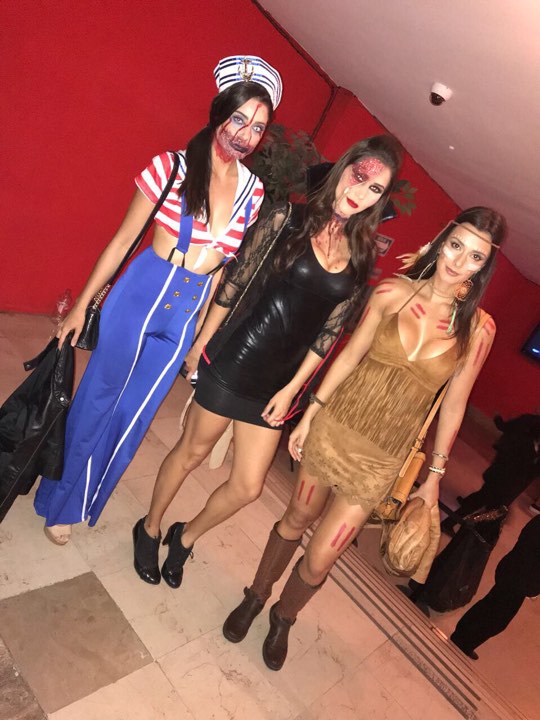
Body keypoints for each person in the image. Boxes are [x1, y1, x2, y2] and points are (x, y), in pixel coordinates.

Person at [222, 206, 507, 671]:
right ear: (441, 242)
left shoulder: (477, 330)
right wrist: (311, 415)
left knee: (322, 556)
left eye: (475, 257)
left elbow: (455, 405)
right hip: (336, 429)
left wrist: (434, 476)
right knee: (296, 517)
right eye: (456, 246)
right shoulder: (393, 291)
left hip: (381, 458)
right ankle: (256, 595)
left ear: (483, 267)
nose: (459, 262)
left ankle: (284, 616)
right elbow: (350, 354)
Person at [133, 135, 403, 587]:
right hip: (236, 359)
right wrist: (202, 342)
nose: (361, 192)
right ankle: (150, 527)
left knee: (248, 487)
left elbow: (328, 335)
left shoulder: (360, 257)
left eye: (375, 189)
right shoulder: (287, 219)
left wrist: (292, 390)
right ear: (342, 169)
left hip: (276, 382)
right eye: (358, 177)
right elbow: (235, 283)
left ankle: (185, 536)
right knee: (191, 451)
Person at [33, 55, 282, 544]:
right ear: (219, 112)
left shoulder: (253, 192)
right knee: (99, 398)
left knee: (136, 414)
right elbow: (123, 241)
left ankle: (88, 499)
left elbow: (221, 271)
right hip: (142, 293)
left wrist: (200, 337)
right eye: (239, 119)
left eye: (258, 127)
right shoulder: (171, 167)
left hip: (187, 310)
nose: (246, 135)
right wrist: (82, 305)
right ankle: (58, 500)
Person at [450, 515, 540, 659]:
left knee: (490, 604)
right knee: (498, 618)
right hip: (521, 580)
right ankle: (465, 642)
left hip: (511, 568)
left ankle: (461, 636)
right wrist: (533, 589)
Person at [441, 412, 540, 535]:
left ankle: (455, 519)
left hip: (498, 473)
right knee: (487, 505)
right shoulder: (528, 444)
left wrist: (499, 421)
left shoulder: (528, 422)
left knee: (482, 498)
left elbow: (505, 427)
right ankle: (452, 524)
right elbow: (529, 471)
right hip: (507, 483)